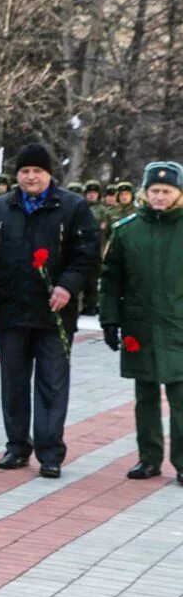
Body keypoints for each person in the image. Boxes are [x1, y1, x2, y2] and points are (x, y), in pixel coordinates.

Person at [0, 143, 100, 478]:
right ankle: (16, 447)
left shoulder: (72, 207)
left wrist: (67, 285)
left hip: (54, 314)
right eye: (25, 171)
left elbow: (87, 255)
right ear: (18, 175)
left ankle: (50, 451)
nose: (31, 177)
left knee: (52, 384)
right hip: (11, 312)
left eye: (37, 171)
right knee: (13, 383)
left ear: (49, 174)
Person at [99, 161, 183, 486]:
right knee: (145, 397)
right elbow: (111, 279)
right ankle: (148, 459)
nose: (160, 196)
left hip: (178, 326)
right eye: (154, 191)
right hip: (141, 327)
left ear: (178, 194)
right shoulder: (127, 230)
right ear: (145, 193)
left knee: (180, 400)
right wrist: (109, 320)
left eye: (166, 191)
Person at [81, 180, 105, 315]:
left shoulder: (102, 210)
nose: (91, 195)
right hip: (81, 245)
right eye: (89, 193)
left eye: (94, 193)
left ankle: (91, 304)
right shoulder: (80, 207)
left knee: (93, 279)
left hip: (97, 246)